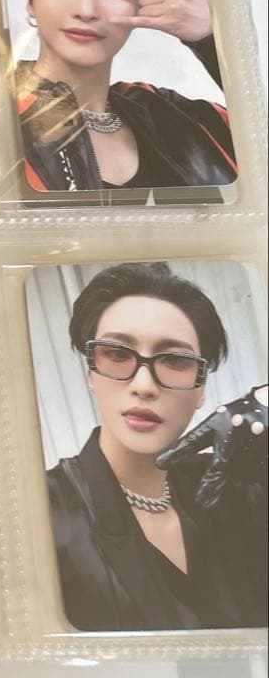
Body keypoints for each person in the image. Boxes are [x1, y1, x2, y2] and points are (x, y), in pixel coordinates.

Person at [46, 261, 267, 631]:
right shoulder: (41, 513)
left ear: (201, 388)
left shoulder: (238, 486)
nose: (144, 385)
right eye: (117, 354)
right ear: (91, 373)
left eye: (175, 360)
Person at [4, 0, 237, 192]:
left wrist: (211, 40)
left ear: (138, 6)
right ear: (30, 1)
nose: (87, 10)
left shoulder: (178, 120)